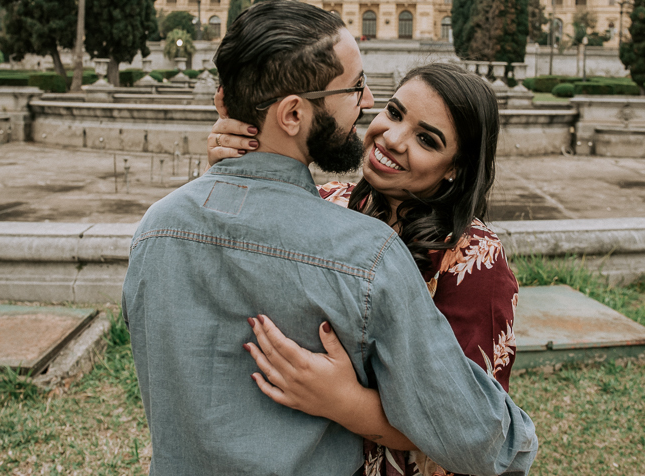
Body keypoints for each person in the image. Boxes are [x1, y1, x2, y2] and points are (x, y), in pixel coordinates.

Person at [123, 0, 536, 476]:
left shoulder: (156, 227)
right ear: (293, 114)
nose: (369, 107)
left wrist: (219, 189)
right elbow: (479, 437)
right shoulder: (364, 244)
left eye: (427, 139)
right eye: (360, 90)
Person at [209, 61, 520, 476]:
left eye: (426, 139)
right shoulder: (325, 202)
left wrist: (345, 402)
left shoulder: (472, 259)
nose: (392, 138)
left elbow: (468, 426)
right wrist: (233, 166)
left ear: (455, 169)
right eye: (394, 112)